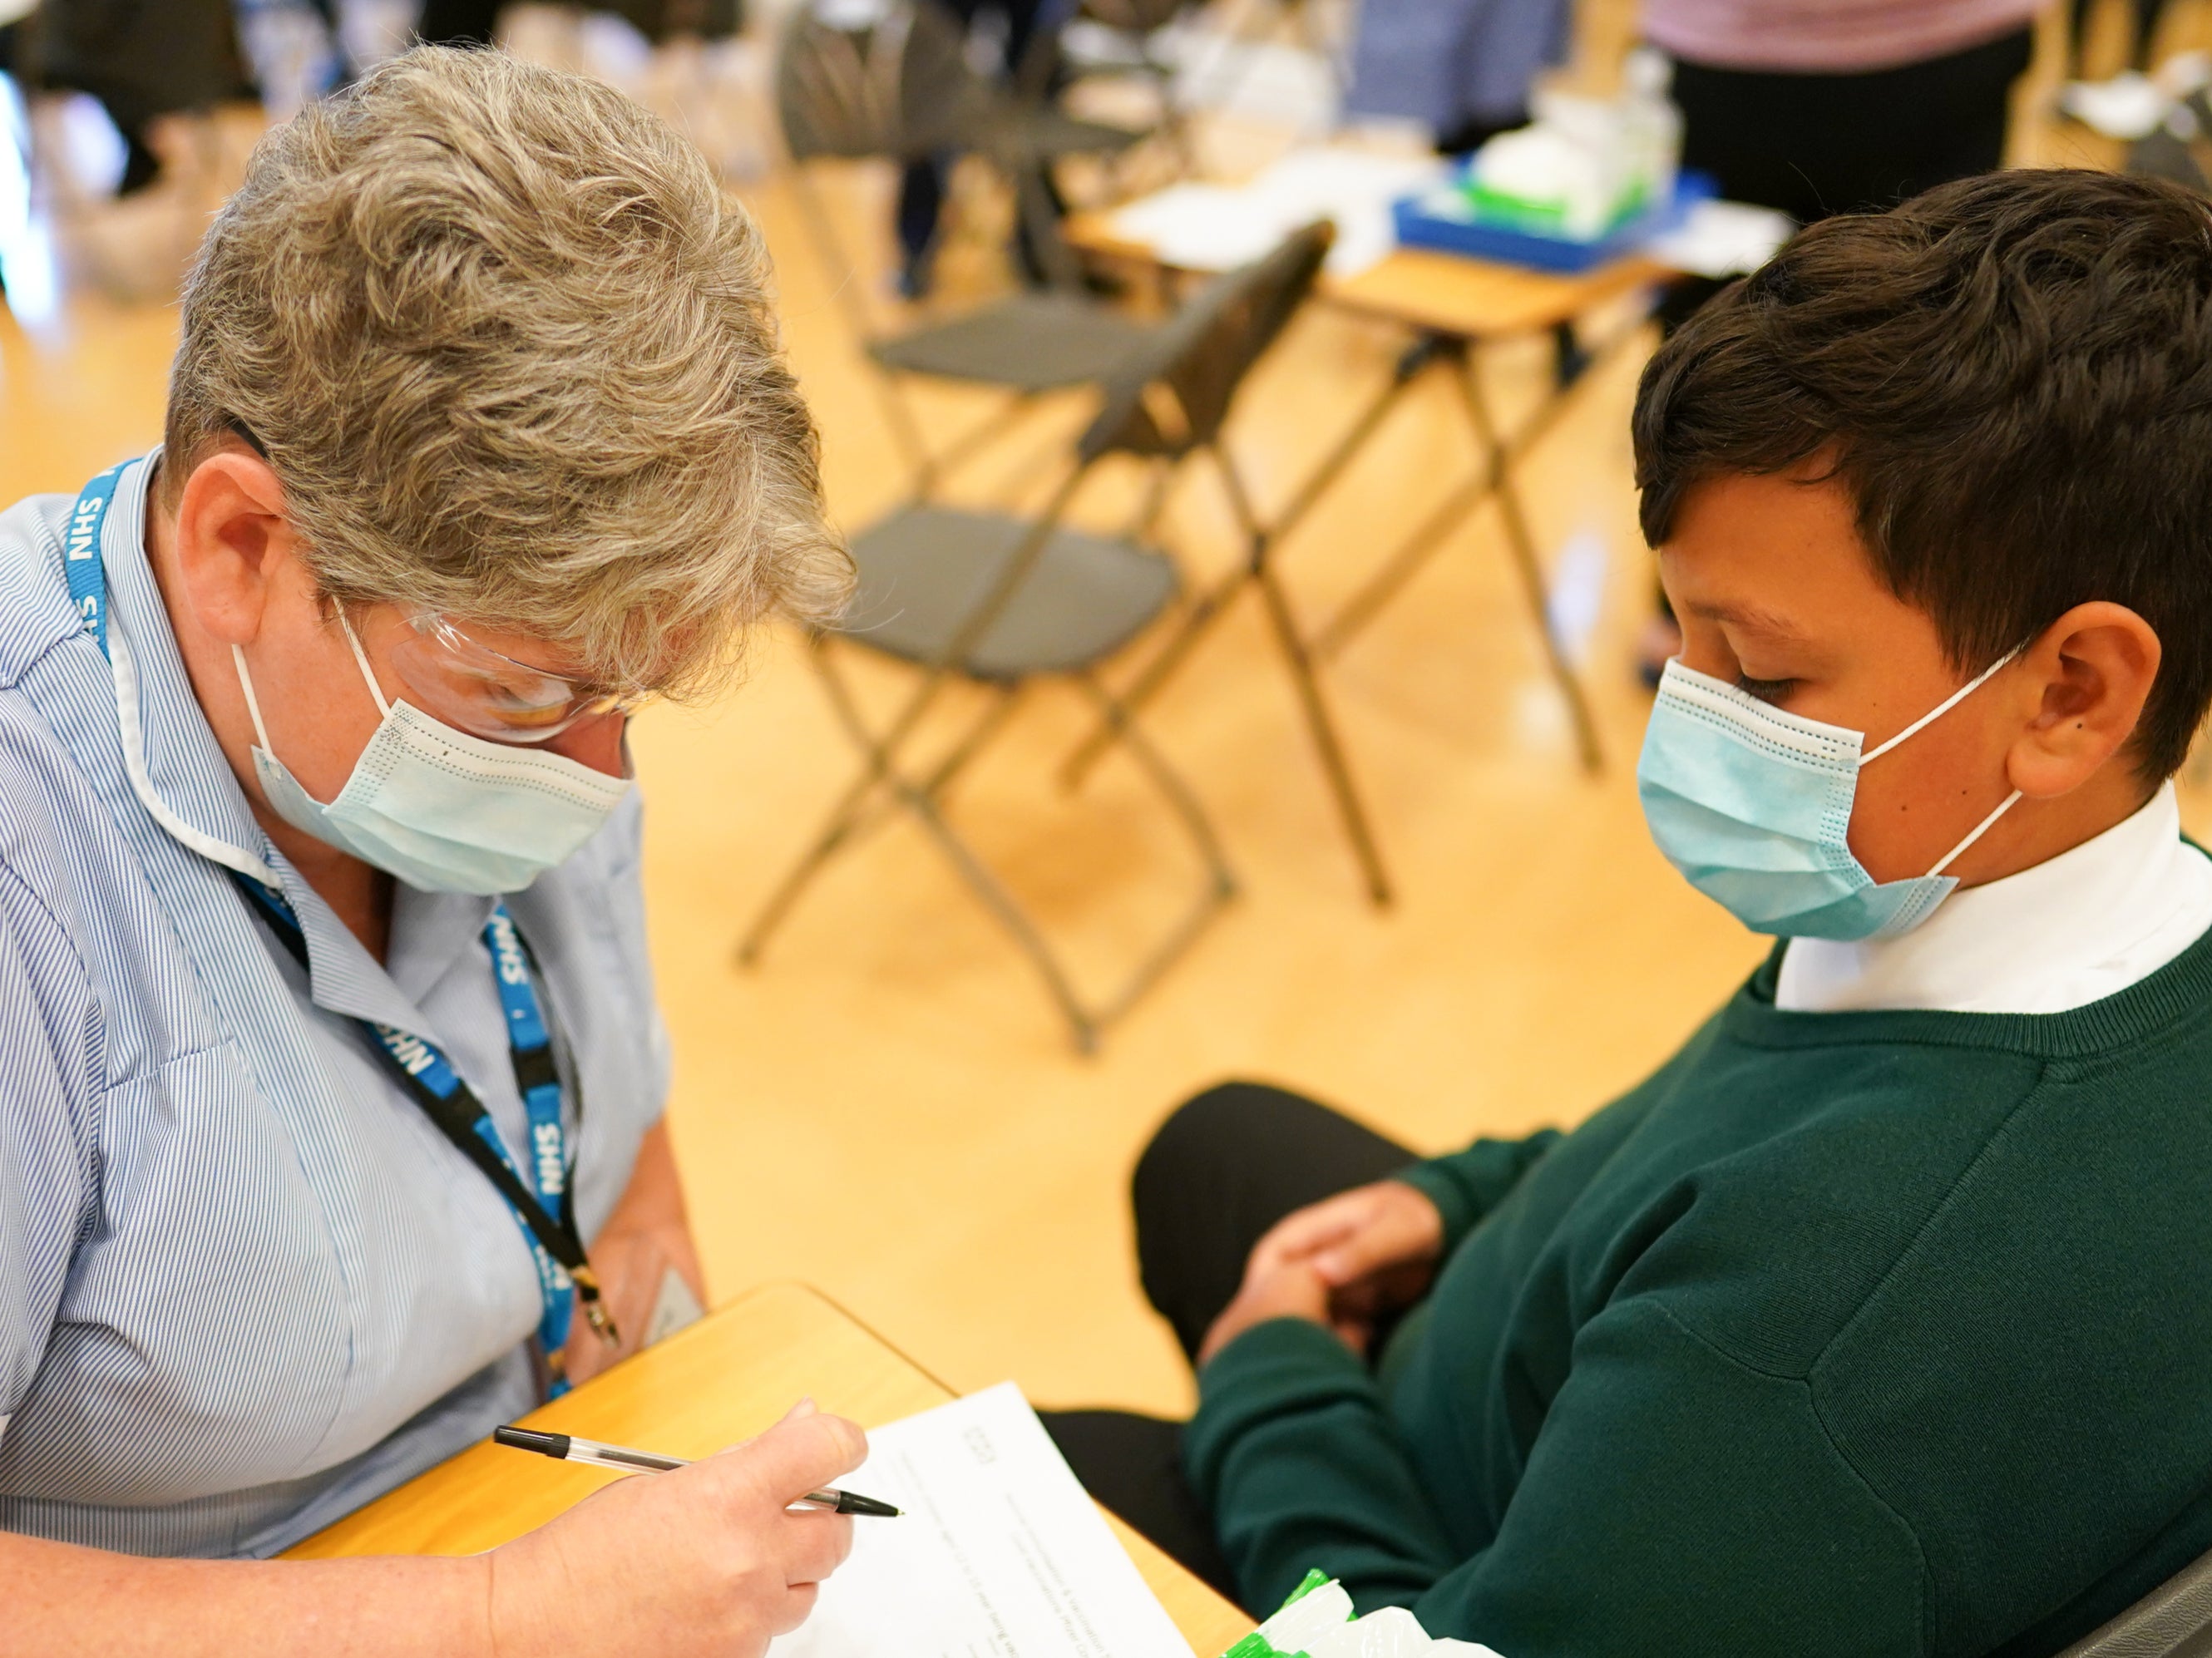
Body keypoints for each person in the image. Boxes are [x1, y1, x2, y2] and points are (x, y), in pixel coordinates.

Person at [1046, 167, 2212, 1656]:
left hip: (1459, 1552)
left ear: (2071, 690)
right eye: (1677, 632)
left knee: (1037, 1471)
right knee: (1218, 1147)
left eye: (1766, 674)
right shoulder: (1997, 893)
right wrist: (1465, 1200)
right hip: (1613, 1414)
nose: (1690, 716)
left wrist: (1271, 1390)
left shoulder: (1816, 1333)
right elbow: (1713, 1137)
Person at [2, 45, 867, 1656]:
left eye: (634, 695)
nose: (601, 776)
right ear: (241, 547)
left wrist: (648, 1297)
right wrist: (499, 1611)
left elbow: (614, 1158)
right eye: (531, 694)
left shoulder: (511, 703)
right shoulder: (28, 860)